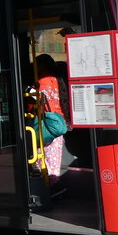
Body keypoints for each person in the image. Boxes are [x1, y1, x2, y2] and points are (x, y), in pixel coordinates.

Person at [34, 53, 67, 184]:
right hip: (59, 122)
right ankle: (53, 184)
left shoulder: (43, 81)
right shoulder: (57, 79)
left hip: (47, 122)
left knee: (43, 158)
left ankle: (48, 186)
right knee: (54, 158)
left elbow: (39, 101)